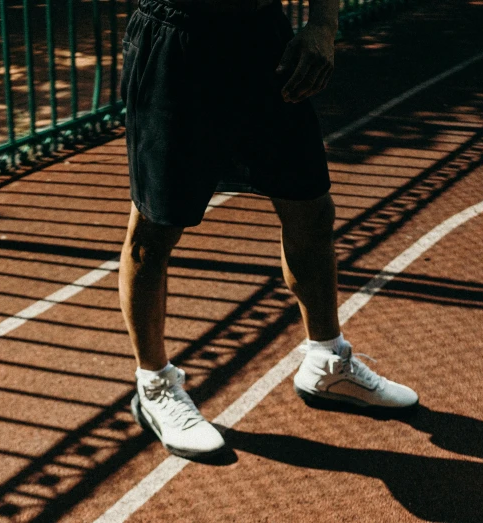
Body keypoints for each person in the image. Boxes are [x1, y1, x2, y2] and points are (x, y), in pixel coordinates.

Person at [118, 0, 418, 459]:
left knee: (310, 208)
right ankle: (154, 385)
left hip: (262, 38)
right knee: (155, 229)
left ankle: (326, 361)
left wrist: (322, 25)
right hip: (178, 38)